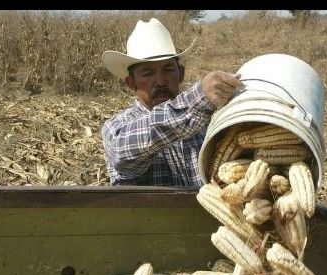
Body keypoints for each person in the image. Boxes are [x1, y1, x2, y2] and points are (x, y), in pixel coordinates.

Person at [101, 18, 244, 187]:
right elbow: (123, 150)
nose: (160, 81)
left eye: (168, 70)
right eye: (147, 73)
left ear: (181, 74)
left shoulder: (210, 122)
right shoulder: (117, 127)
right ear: (131, 83)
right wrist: (199, 97)